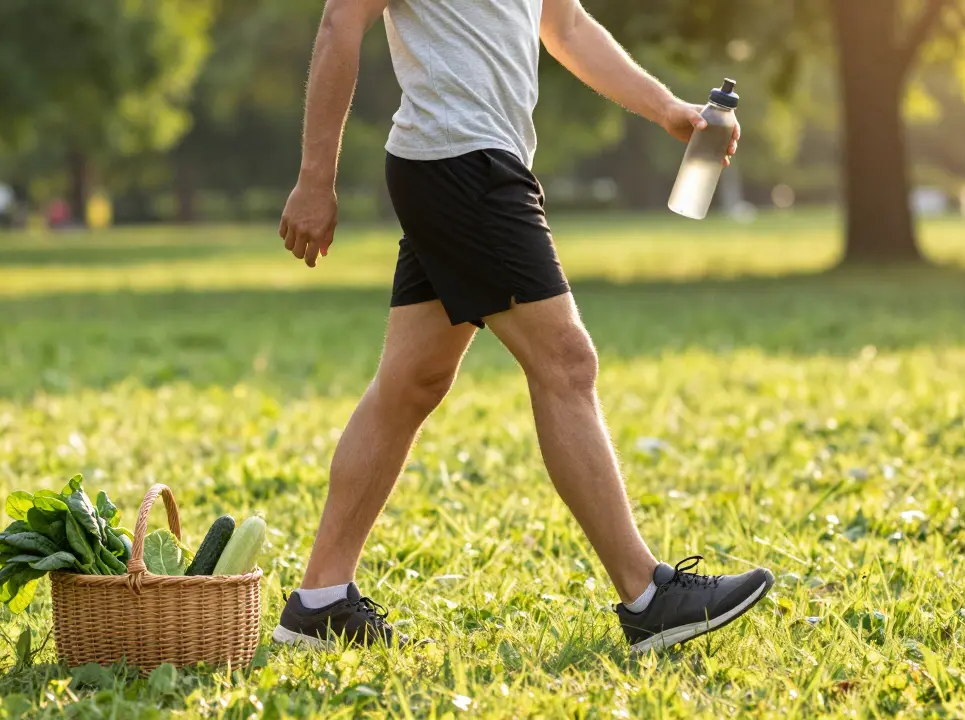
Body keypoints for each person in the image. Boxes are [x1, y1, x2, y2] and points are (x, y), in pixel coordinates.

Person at [273, 0, 773, 654]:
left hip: (477, 162)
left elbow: (564, 27)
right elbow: (341, 18)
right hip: (460, 162)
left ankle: (319, 600)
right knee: (567, 361)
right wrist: (315, 179)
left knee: (412, 382)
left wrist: (666, 108)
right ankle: (647, 596)